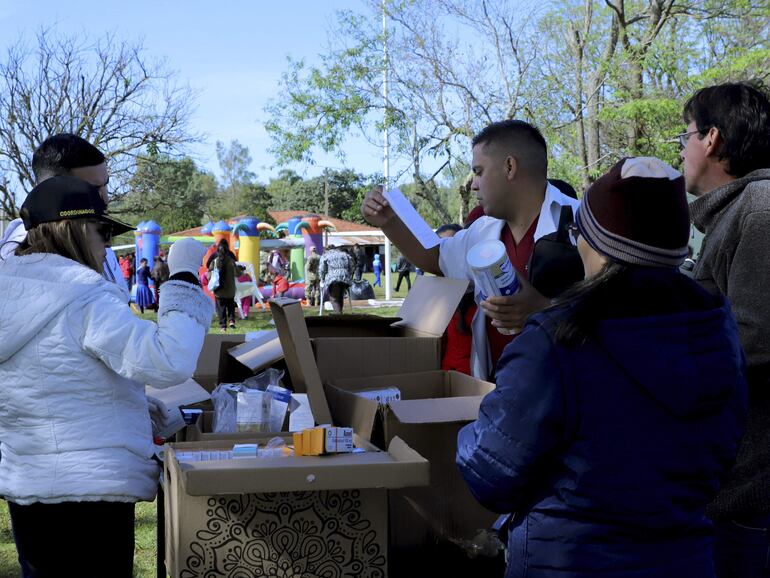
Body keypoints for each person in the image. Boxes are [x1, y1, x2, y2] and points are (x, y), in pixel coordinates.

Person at [457, 157, 748, 578]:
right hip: (687, 559)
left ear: (598, 244)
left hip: (570, 562)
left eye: (579, 232)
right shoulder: (718, 331)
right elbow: (724, 454)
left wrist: (469, 430)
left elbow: (491, 473)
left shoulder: (557, 341)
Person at [0, 176, 212, 577]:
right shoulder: (82, 297)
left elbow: (48, 384)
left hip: (28, 489)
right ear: (75, 230)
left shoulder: (12, 293)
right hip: (90, 496)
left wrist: (136, 408)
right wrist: (183, 276)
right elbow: (168, 361)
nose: (109, 244)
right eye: (103, 231)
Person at [362, 120, 580, 379]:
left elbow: (621, 314)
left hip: (568, 395)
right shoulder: (482, 231)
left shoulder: (583, 224)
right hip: (499, 392)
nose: (473, 184)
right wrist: (389, 222)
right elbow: (436, 259)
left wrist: (545, 309)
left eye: (479, 171)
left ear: (509, 167)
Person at [680, 81, 770, 577]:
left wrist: (669, 354)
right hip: (728, 483)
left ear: (711, 139)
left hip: (751, 493)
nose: (683, 149)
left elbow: (757, 338)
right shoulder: (736, 213)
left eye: (685, 136)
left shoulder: (761, 209)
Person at [0, 134, 128, 300]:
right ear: (53, 188)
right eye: (93, 188)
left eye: (106, 184)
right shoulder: (21, 257)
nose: (105, 198)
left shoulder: (96, 236)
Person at [436, 224, 475, 375]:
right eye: (440, 247)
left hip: (472, 381)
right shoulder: (432, 296)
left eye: (453, 246)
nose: (446, 253)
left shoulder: (480, 295)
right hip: (446, 376)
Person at [208, 239, 238, 331]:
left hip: (219, 289)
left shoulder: (214, 258)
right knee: (231, 304)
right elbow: (237, 272)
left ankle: (223, 327)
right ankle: (232, 321)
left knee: (221, 308)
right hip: (230, 289)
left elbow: (207, 266)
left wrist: (211, 279)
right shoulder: (231, 259)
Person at [318, 244, 353, 313]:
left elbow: (322, 269)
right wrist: (349, 274)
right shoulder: (344, 254)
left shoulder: (325, 255)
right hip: (345, 277)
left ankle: (338, 315)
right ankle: (340, 313)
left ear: (326, 249)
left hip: (333, 278)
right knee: (340, 296)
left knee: (334, 298)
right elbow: (351, 265)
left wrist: (322, 279)